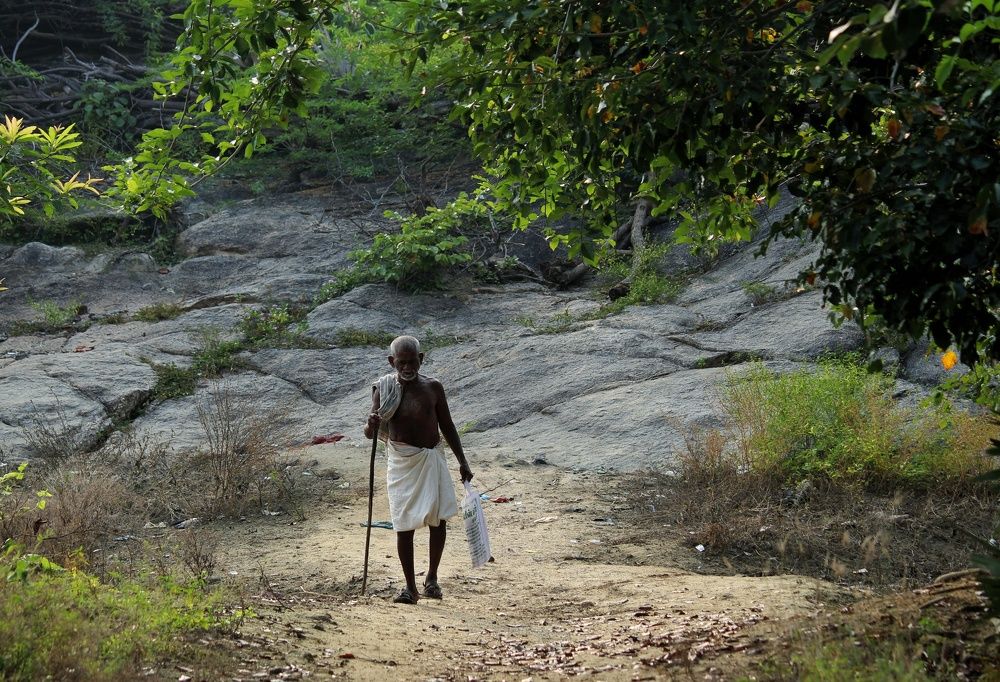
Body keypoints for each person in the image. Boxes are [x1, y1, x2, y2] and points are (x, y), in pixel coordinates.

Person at [364, 335, 473, 604]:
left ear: (421, 360)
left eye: (413, 361)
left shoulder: (433, 388)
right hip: (402, 463)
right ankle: (410, 588)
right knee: (403, 525)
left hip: (431, 458)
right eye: (402, 362)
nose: (408, 367)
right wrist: (371, 423)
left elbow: (447, 425)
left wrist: (462, 460)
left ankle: (432, 578)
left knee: (438, 520)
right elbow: (370, 433)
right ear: (392, 362)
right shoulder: (384, 388)